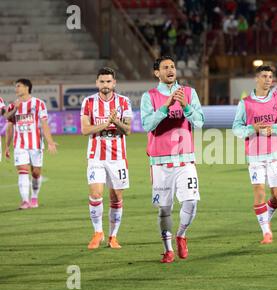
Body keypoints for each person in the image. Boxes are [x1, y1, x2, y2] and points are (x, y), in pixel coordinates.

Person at [140, 55, 204, 263]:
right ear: (156, 73)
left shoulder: (189, 93)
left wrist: (186, 106)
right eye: (165, 67)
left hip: (185, 159)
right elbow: (147, 125)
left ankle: (181, 234)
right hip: (159, 162)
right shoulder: (148, 96)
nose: (170, 70)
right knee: (164, 208)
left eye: (173, 67)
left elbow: (200, 121)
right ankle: (167, 250)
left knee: (191, 202)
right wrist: (165, 106)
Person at [232, 65, 277, 244]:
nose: (268, 80)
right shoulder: (246, 103)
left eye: (270, 77)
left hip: (275, 153)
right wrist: (252, 128)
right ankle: (266, 232)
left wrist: (274, 129)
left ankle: (266, 217)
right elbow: (236, 128)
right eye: (264, 76)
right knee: (259, 192)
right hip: (255, 155)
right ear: (256, 78)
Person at [80, 67, 132, 250]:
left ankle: (113, 236)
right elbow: (85, 130)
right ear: (97, 83)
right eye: (102, 81)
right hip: (96, 156)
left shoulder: (124, 102)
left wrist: (116, 121)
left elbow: (127, 130)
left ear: (114, 83)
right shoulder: (88, 102)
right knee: (95, 194)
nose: (105, 85)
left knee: (116, 197)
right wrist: (106, 123)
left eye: (108, 81)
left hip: (118, 157)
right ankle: (98, 232)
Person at [4, 79, 57, 209]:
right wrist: (6, 146)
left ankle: (34, 197)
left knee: (36, 173)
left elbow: (44, 124)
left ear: (27, 87)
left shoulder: (39, 104)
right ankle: (25, 201)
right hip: (19, 144)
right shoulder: (13, 105)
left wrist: (50, 142)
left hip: (36, 144)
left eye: (18, 86)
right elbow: (9, 125)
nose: (16, 89)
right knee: (22, 171)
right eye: (15, 86)